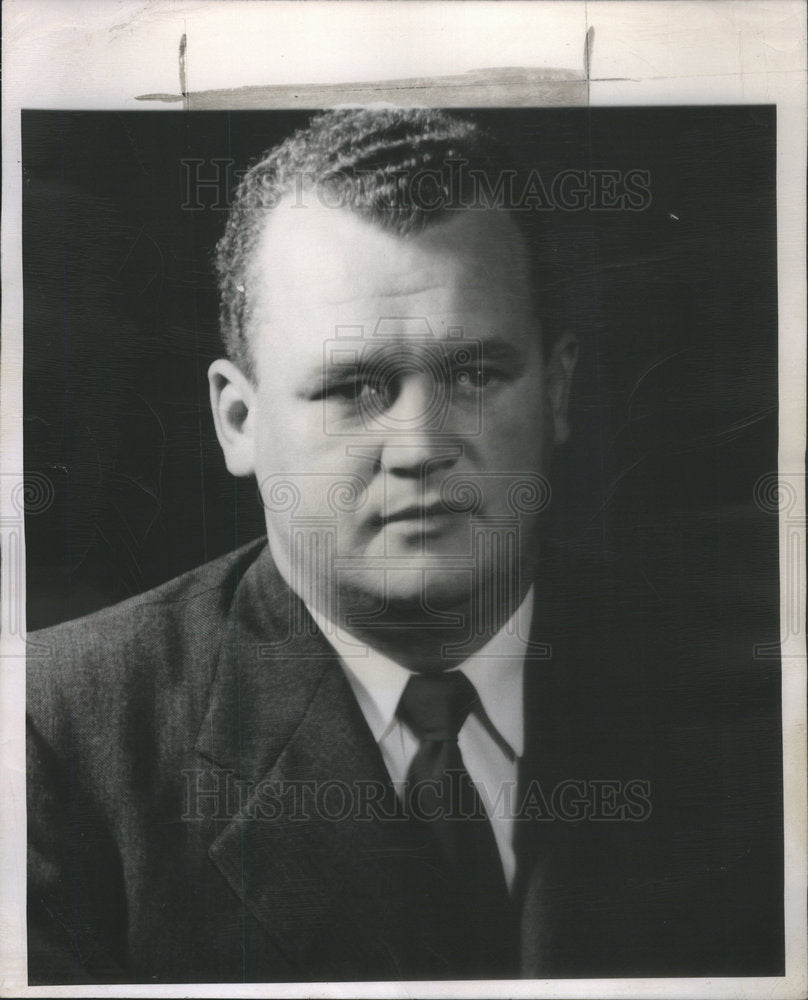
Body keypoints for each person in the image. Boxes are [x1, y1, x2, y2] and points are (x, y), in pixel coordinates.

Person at [27, 108, 783, 985]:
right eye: (355, 387)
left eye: (475, 375)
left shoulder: (747, 702)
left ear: (559, 392)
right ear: (238, 421)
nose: (421, 443)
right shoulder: (57, 739)